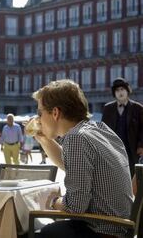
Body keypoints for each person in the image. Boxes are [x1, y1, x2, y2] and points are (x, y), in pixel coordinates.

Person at [32, 79, 133, 238]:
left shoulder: (76, 138)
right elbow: (71, 165)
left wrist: (53, 201)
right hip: (121, 226)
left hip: (102, 231)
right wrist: (44, 139)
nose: (37, 119)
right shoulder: (99, 129)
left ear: (55, 113)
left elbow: (74, 207)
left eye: (40, 113)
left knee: (37, 229)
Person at [101, 77, 143, 177]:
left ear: (127, 91)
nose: (120, 92)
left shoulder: (138, 108)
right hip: (113, 149)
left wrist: (141, 145)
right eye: (117, 90)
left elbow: (142, 129)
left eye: (122, 89)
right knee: (115, 176)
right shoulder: (108, 108)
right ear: (114, 93)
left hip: (132, 149)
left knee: (132, 176)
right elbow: (102, 129)